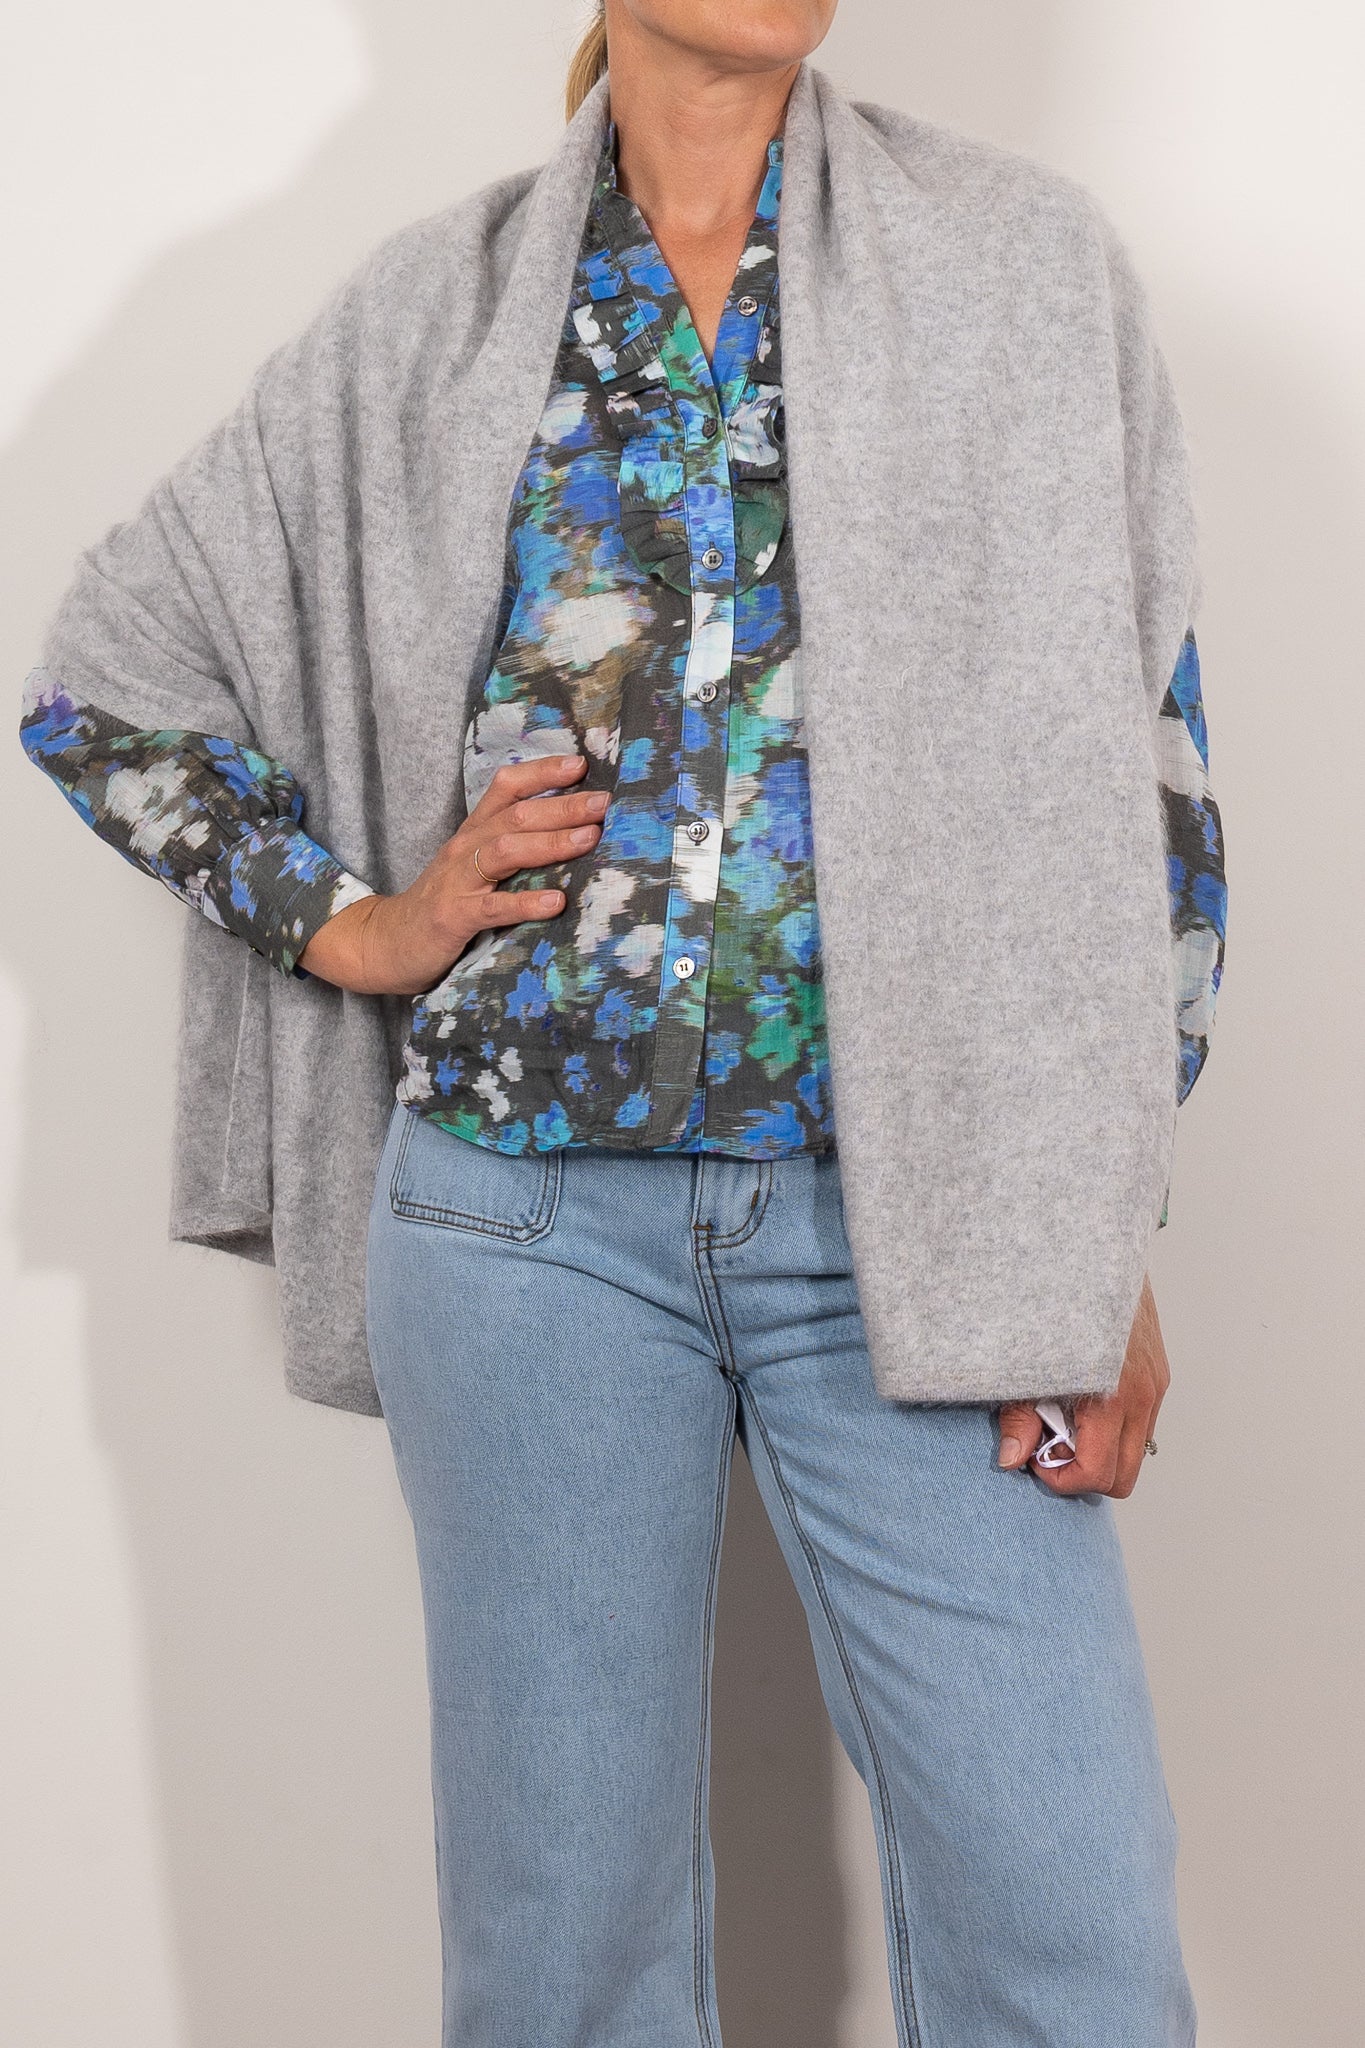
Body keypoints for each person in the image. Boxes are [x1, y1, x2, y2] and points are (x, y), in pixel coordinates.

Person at [19, 2, 1226, 2042]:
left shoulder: (1017, 265)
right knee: (563, 1970)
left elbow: (1152, 776)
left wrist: (1091, 1233)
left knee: (1069, 1932)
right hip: (518, 1235)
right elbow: (102, 676)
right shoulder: (427, 317)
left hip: (926, 1226)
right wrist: (358, 924)